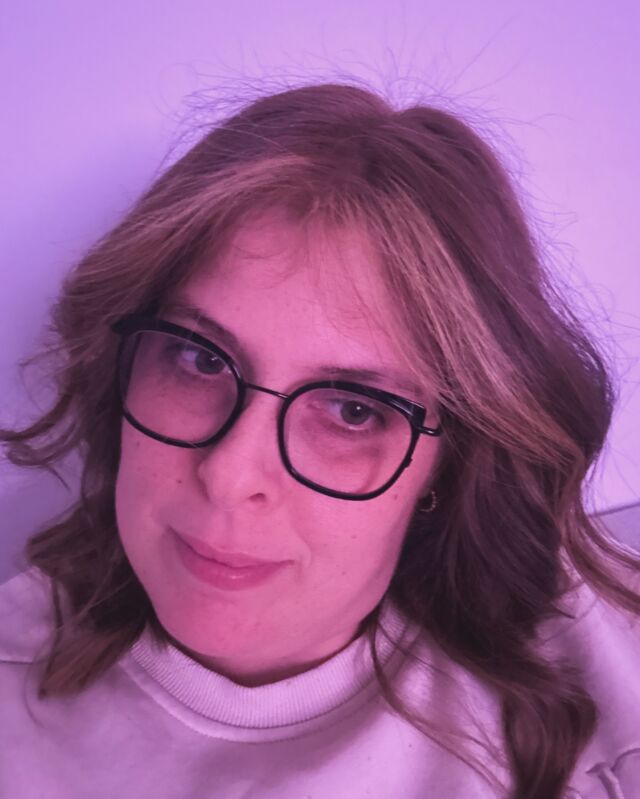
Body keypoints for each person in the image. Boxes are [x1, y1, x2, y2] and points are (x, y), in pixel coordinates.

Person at [0, 81, 638, 799]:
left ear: (447, 461)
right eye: (199, 359)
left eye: (353, 411)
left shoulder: (606, 689)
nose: (230, 475)